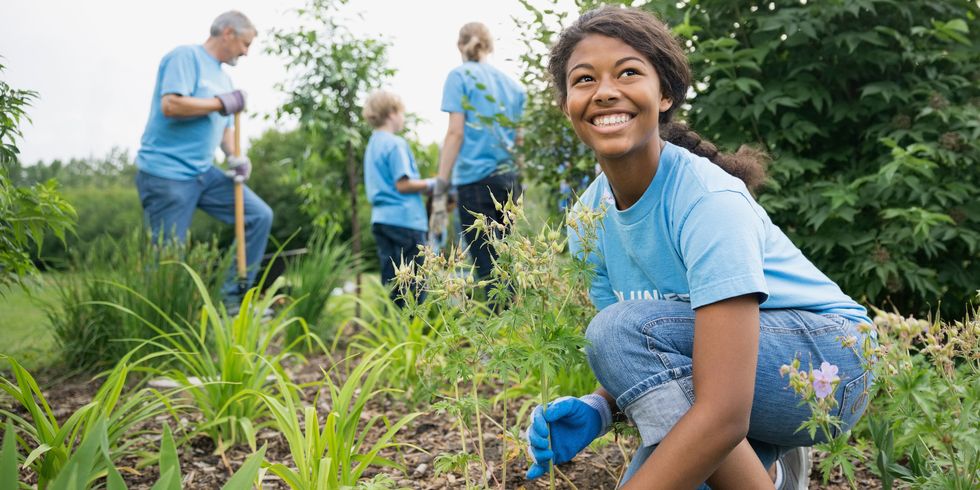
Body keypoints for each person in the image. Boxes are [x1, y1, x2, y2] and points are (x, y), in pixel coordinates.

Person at [524, 7, 876, 489]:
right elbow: (654, 355)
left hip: (829, 364)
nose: (605, 91)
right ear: (567, 104)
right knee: (682, 466)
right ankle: (766, 465)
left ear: (664, 94)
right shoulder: (588, 218)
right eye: (584, 79)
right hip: (741, 374)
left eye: (628, 72)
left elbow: (717, 408)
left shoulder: (708, 201)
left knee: (625, 345)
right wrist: (600, 406)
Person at [134, 11, 272, 314]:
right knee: (167, 256)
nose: (246, 52)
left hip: (202, 172)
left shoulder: (223, 77)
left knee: (259, 216)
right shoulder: (185, 57)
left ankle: (231, 301)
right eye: (245, 44)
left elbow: (223, 127)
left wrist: (236, 156)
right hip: (166, 173)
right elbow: (171, 104)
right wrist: (222, 102)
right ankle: (161, 323)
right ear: (228, 33)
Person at [431, 22, 526, 286]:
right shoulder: (514, 87)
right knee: (508, 263)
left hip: (474, 183)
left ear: (460, 46)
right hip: (510, 183)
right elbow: (519, 140)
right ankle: (516, 323)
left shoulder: (459, 77)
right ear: (489, 46)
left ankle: (498, 323)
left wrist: (441, 183)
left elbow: (455, 133)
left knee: (487, 269)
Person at [362, 90, 434, 306]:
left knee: (394, 285)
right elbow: (403, 184)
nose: (403, 117)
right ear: (392, 113)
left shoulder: (373, 144)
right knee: (414, 286)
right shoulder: (395, 144)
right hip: (405, 222)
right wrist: (433, 184)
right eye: (402, 112)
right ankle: (414, 335)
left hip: (382, 221)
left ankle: (393, 334)